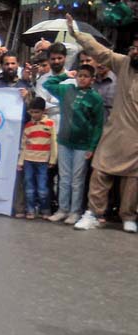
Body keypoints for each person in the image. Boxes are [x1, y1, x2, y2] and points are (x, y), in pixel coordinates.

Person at [67, 16, 138, 233]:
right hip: (114, 131)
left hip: (135, 137)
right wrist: (77, 33)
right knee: (100, 172)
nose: (134, 51)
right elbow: (99, 51)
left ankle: (128, 216)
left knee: (133, 179)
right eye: (134, 47)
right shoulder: (123, 63)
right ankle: (94, 214)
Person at [43, 64, 104, 225]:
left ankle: (75, 212)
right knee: (64, 178)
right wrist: (65, 75)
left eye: (86, 76)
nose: (82, 78)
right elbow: (47, 84)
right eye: (80, 75)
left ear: (92, 79)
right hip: (64, 141)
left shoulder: (95, 98)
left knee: (77, 180)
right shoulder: (67, 90)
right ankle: (62, 210)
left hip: (82, 145)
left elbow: (98, 124)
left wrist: (92, 147)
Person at [18, 97, 57, 220]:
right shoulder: (28, 126)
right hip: (29, 160)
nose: (34, 115)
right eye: (32, 112)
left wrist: (52, 159)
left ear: (43, 111)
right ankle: (30, 210)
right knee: (29, 186)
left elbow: (54, 143)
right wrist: (20, 162)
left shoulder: (50, 124)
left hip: (43, 161)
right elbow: (24, 145)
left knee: (42, 187)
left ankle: (45, 209)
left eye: (37, 112)